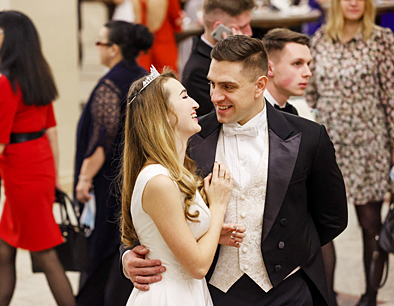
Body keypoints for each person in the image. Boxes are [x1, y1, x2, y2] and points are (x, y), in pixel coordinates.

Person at [123, 35, 348, 305]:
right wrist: (128, 254)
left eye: (228, 86)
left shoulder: (308, 137)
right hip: (213, 291)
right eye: (212, 84)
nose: (216, 96)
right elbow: (145, 206)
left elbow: (332, 216)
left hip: (289, 290)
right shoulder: (188, 137)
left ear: (259, 85)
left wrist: (289, 251)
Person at [0, 11, 75, 306]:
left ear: (11, 38)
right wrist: (53, 178)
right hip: (37, 169)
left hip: (23, 176)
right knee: (3, 248)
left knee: (45, 254)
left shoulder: (5, 85)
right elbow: (52, 132)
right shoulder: (37, 75)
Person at [122, 67, 243, 305]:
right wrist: (218, 207)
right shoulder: (158, 181)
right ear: (163, 114)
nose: (196, 103)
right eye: (185, 97)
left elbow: (173, 238)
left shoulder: (175, 173)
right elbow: (197, 266)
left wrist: (212, 234)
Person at [304, 0, 394, 304]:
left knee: (371, 225)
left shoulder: (381, 40)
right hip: (329, 145)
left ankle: (370, 294)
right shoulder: (320, 39)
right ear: (337, 2)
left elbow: (391, 96)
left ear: (367, 3)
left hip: (370, 145)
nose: (353, 3)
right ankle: (326, 296)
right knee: (323, 224)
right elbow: (310, 93)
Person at [73, 21, 153, 306]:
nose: (97, 48)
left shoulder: (110, 83)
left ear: (114, 49)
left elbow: (100, 140)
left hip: (108, 182)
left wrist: (84, 179)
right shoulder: (144, 78)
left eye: (100, 42)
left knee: (100, 253)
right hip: (134, 178)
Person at [263, 27, 339, 306]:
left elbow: (329, 207)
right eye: (297, 64)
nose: (308, 72)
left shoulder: (299, 114)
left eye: (309, 64)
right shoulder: (256, 118)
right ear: (269, 68)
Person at [182, 0, 256, 117]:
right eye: (242, 27)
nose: (249, 32)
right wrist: (237, 58)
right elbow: (223, 119)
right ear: (219, 28)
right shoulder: (198, 71)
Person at [130, 0, 183, 73]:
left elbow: (137, 18)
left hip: (143, 41)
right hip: (163, 39)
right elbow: (175, 17)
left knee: (144, 78)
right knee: (167, 78)